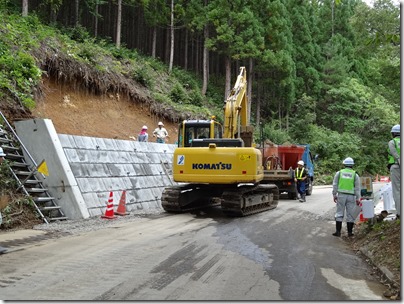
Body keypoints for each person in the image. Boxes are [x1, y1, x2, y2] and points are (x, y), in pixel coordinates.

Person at [332, 157, 361, 237]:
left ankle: (338, 232)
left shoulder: (339, 173)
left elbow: (335, 184)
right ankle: (350, 233)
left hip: (341, 195)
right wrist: (358, 198)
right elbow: (357, 188)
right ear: (352, 165)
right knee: (350, 214)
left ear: (344, 164)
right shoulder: (355, 175)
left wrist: (334, 194)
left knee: (339, 213)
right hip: (351, 196)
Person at [387, 124, 400, 219]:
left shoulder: (392, 142)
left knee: (397, 191)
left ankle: (400, 213)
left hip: (396, 167)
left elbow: (394, 153)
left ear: (393, 133)